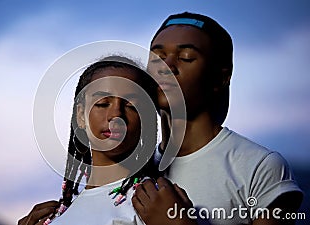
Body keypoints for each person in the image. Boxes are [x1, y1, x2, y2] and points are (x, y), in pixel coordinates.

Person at [132, 12, 303, 225]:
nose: (166, 66)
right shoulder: (136, 168)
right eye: (157, 57)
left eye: (186, 57)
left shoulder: (261, 167)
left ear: (221, 78)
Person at [18, 55, 160, 225]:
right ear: (80, 116)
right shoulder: (58, 215)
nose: (116, 115)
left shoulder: (153, 203)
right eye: (102, 103)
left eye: (131, 105)